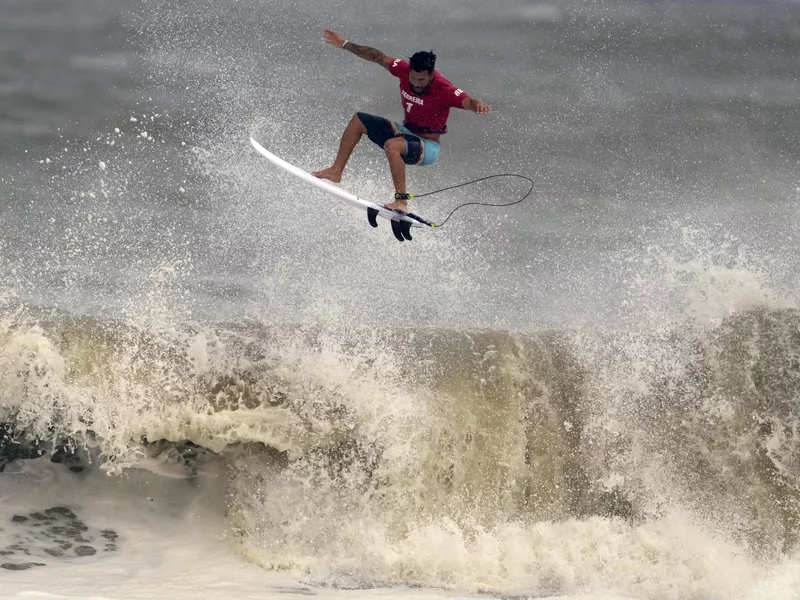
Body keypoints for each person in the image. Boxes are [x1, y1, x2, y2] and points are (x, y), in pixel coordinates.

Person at [312, 28, 491, 213]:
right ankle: (336, 171)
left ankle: (401, 202)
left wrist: (477, 105)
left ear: (430, 75)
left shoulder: (443, 89)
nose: (416, 83)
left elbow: (468, 101)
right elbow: (377, 57)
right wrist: (344, 44)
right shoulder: (404, 70)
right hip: (405, 133)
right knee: (359, 120)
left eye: (421, 80)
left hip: (428, 146)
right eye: (413, 78)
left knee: (393, 145)